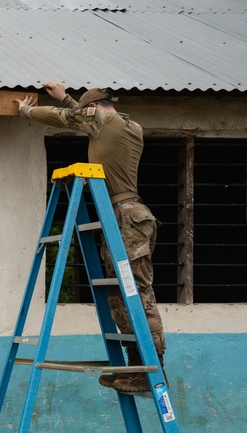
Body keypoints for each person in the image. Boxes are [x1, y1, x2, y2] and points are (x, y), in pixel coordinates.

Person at [14, 82, 165, 393]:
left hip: (125, 217)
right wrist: (68, 98)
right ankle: (135, 366)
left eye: (85, 109)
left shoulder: (103, 121)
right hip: (121, 217)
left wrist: (26, 111)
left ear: (94, 109)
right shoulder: (119, 123)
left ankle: (151, 368)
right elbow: (80, 113)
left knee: (137, 292)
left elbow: (66, 117)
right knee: (120, 293)